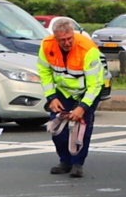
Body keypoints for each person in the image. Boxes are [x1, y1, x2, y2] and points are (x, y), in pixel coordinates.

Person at [37, 17, 105, 178]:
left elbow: (95, 84)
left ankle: (77, 163)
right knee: (56, 127)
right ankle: (65, 161)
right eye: (62, 40)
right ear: (55, 38)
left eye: (70, 38)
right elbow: (44, 72)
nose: (67, 43)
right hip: (64, 90)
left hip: (88, 90)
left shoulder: (88, 49)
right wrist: (51, 97)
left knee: (82, 128)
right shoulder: (47, 46)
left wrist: (83, 107)